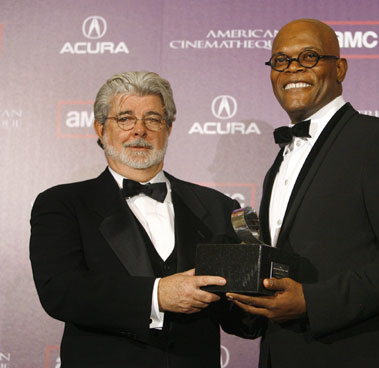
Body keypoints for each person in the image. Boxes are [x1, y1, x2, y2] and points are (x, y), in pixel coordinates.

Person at [227, 19, 379, 368]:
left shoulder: (378, 141)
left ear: (339, 68)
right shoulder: (280, 162)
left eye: (309, 57)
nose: (292, 68)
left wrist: (314, 300)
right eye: (280, 60)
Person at [30, 71, 255, 368]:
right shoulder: (62, 204)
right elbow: (61, 291)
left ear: (168, 128)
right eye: (125, 118)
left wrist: (260, 300)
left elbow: (239, 317)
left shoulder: (218, 207)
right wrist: (156, 295)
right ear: (100, 128)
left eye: (152, 119)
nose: (139, 130)